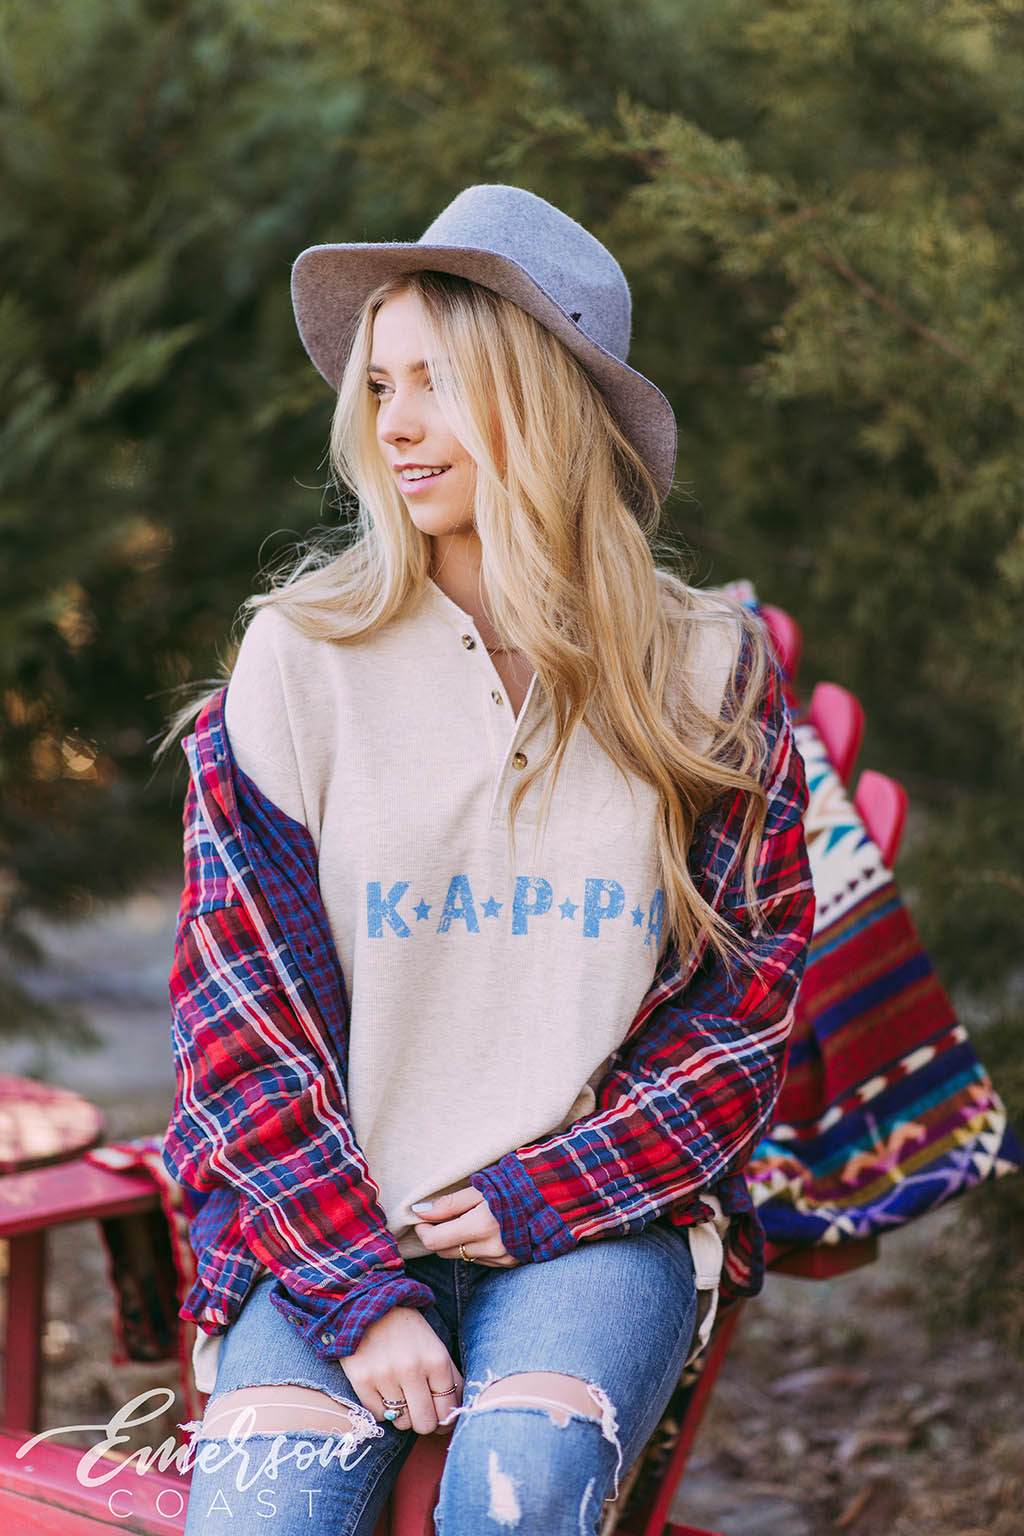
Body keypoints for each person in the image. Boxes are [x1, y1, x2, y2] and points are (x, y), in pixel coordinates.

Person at [160, 184, 815, 1536]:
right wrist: (360, 1293)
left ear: (548, 400)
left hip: (598, 1231)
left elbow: (742, 1011)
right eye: (379, 386)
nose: (392, 425)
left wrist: (545, 1194)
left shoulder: (708, 672)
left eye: (437, 384)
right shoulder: (302, 659)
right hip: (329, 1232)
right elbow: (237, 1028)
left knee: (520, 1495)